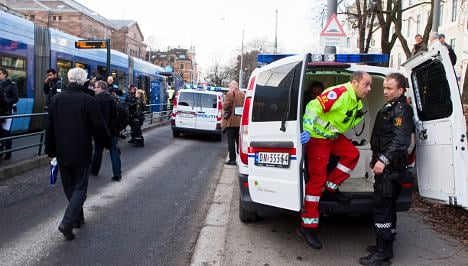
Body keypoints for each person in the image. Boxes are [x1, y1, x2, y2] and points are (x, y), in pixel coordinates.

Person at [298, 71, 372, 249]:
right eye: (366, 84)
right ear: (354, 82)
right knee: (316, 181)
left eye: (370, 85)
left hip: (333, 137)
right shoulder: (339, 93)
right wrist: (307, 129)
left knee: (352, 154)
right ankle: (307, 226)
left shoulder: (356, 101)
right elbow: (312, 107)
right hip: (317, 139)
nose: (369, 89)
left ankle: (330, 188)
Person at [45, 67, 111, 240]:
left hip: (62, 152)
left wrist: (50, 150)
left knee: (70, 188)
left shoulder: (56, 100)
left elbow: (49, 127)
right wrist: (106, 142)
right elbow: (99, 126)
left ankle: (77, 219)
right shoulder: (88, 101)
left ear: (68, 79)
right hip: (82, 151)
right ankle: (67, 222)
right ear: (83, 81)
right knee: (80, 189)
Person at [358, 73, 414, 266]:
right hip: (387, 167)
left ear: (401, 90)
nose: (385, 91)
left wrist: (383, 159)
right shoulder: (389, 107)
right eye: (384, 88)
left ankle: (383, 254)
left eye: (389, 88)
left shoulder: (401, 110)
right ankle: (384, 245)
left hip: (391, 169)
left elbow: (401, 141)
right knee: (387, 209)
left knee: (382, 208)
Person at [90, 81, 122, 182]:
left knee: (98, 151)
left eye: (95, 87)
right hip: (112, 130)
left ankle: (94, 170)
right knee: (114, 152)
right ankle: (117, 174)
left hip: (100, 130)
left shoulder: (96, 99)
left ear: (100, 88)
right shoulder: (112, 99)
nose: (94, 89)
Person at [221, 80, 245, 166]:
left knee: (231, 141)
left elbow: (225, 106)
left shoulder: (230, 94)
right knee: (239, 141)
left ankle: (232, 159)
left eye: (229, 87)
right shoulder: (243, 94)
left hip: (231, 122)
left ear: (232, 87)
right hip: (240, 122)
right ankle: (241, 159)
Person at [0, 68, 19, 160]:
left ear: (5, 74)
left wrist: (5, 101)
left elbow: (16, 98)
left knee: (6, 132)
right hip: (0, 111)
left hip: (7, 111)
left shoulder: (12, 85)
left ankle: (8, 153)